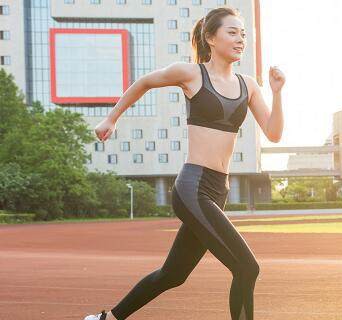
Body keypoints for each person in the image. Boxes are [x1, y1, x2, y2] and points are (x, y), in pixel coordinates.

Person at [83, 6, 284, 320]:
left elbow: (273, 133)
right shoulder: (192, 73)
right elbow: (145, 82)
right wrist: (111, 117)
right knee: (247, 267)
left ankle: (107, 318)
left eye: (243, 34)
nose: (240, 39)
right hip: (193, 186)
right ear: (210, 38)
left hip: (219, 190)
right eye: (232, 32)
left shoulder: (249, 85)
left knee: (173, 274)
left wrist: (277, 93)